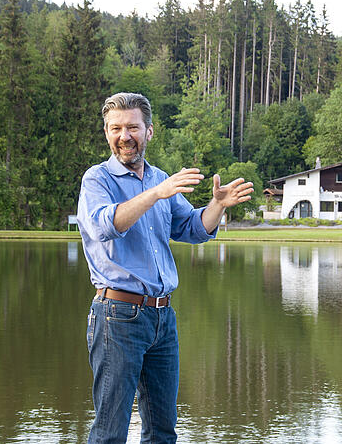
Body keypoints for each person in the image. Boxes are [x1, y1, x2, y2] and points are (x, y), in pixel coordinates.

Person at [76, 92, 254, 443]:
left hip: (161, 319)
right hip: (117, 315)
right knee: (110, 430)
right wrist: (155, 193)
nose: (124, 136)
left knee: (162, 430)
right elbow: (106, 225)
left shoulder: (160, 178)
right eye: (115, 128)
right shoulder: (97, 180)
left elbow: (193, 228)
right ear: (107, 133)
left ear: (149, 131)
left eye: (132, 127)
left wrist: (217, 206)